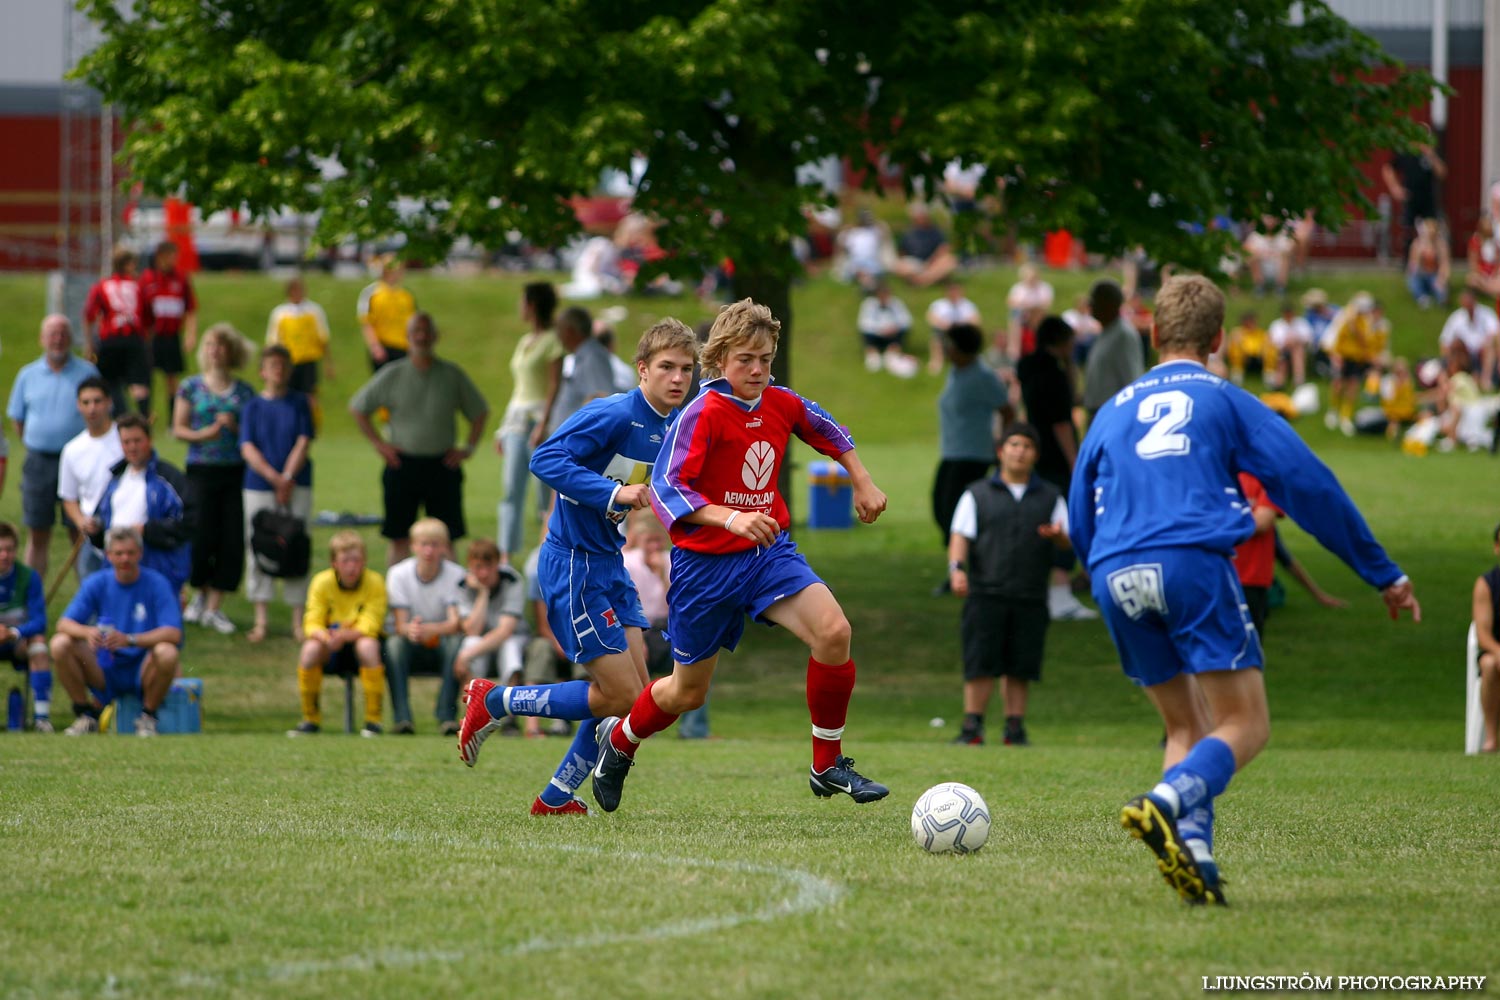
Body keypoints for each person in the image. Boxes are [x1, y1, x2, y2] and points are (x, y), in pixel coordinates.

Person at [1069, 273, 1420, 905]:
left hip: (1114, 570)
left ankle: (1196, 858)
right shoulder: (1225, 399)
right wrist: (1381, 572)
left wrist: (1098, 571)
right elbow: (1307, 484)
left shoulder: (1110, 411)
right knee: (1246, 725)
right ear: (1219, 338)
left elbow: (1078, 511)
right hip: (1188, 561)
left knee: (1189, 727)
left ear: (1152, 333)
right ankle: (1163, 803)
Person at [593, 299, 891, 813]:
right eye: (746, 359)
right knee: (686, 694)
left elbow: (827, 429)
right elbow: (666, 487)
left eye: (767, 359)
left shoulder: (780, 400)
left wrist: (861, 481)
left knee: (834, 631)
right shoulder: (701, 412)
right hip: (705, 569)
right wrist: (730, 517)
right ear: (719, 359)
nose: (758, 370)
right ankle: (619, 742)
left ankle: (826, 764)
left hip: (766, 554)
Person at [457, 318, 698, 816]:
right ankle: (495, 700)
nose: (678, 378)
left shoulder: (672, 425)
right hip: (573, 565)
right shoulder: (612, 413)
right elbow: (544, 459)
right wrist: (614, 492)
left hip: (610, 563)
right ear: (642, 370)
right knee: (623, 693)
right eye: (667, 367)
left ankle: (554, 799)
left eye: (687, 369)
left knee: (629, 699)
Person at [947, 423, 1071, 748]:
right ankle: (972, 726)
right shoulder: (978, 493)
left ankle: (1014, 728)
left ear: (1036, 455)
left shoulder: (1050, 496)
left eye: (1027, 446)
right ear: (1001, 451)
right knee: (980, 661)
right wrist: (957, 569)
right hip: (985, 591)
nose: (1020, 451)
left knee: (1021, 663)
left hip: (1030, 592)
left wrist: (1059, 539)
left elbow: (1067, 541)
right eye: (1013, 444)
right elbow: (961, 535)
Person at [350, 311, 489, 566]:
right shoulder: (392, 374)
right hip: (402, 464)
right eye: (417, 332)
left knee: (446, 537)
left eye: (426, 331)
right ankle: (397, 599)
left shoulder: (451, 375)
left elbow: (480, 411)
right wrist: (380, 445)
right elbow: (358, 408)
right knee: (399, 536)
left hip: (443, 465)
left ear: (435, 336)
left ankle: (451, 599)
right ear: (408, 337)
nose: (422, 337)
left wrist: (467, 447)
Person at [51, 526, 184, 737]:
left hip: (142, 664)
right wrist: (88, 633)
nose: (125, 559)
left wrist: (130, 640)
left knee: (167, 652)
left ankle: (148, 717)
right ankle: (86, 716)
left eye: (130, 553)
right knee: (60, 644)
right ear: (108, 555)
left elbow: (173, 633)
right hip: (105, 664)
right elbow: (64, 623)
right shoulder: (97, 582)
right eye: (119, 553)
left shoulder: (157, 583)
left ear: (140, 554)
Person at [173, 324, 256, 634]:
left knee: (230, 536)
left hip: (234, 472)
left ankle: (215, 607)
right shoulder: (190, 387)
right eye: (211, 345)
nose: (216, 351)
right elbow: (178, 428)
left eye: (222, 345)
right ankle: (198, 595)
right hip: (200, 470)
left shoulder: (244, 392)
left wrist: (233, 427)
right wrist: (203, 434)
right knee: (200, 533)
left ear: (232, 352)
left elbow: (251, 433)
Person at [7, 314, 99, 579]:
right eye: (52, 334)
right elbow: (18, 420)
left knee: (80, 531)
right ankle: (30, 600)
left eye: (62, 333)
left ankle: (89, 599)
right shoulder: (28, 374)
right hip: (40, 462)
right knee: (38, 530)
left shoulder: (87, 373)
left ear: (70, 338)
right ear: (42, 339)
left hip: (79, 462)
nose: (57, 339)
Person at [1017, 316, 1096, 621]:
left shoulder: (1028, 366)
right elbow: (1063, 420)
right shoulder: (1054, 375)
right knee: (1065, 520)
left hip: (1036, 450)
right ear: (1062, 341)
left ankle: (1042, 588)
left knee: (1039, 517)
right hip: (1057, 457)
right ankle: (1060, 592)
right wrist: (1076, 464)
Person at [239, 345, 315, 643]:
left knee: (297, 542)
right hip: (258, 484)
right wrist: (273, 477)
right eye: (272, 365)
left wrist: (287, 478)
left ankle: (299, 619)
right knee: (258, 543)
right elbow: (247, 446)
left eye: (283, 365)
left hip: (297, 482)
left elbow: (304, 440)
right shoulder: (253, 407)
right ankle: (261, 619)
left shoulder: (299, 403)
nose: (278, 371)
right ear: (262, 370)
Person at [931, 323, 1012, 593]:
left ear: (964, 349)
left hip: (974, 455)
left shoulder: (983, 376)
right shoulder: (956, 372)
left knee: (955, 515)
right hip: (953, 452)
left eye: (951, 346)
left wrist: (1003, 447)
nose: (947, 350)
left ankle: (965, 572)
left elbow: (1007, 410)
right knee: (941, 510)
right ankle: (963, 568)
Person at [289, 530, 387, 737]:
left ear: (364, 561)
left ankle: (373, 721)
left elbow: (371, 623)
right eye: (345, 561)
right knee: (309, 649)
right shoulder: (321, 582)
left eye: (357, 560)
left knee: (368, 645)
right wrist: (327, 637)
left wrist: (344, 636)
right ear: (334, 562)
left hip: (358, 645)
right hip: (330, 646)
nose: (352, 567)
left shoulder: (375, 582)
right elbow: (311, 622)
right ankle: (310, 719)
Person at [496, 282, 564, 561]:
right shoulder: (525, 342)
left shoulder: (553, 341)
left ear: (532, 304)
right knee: (511, 489)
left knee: (543, 492)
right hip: (516, 422)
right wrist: (503, 427)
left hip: (539, 424)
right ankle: (506, 555)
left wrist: (543, 423)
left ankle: (545, 550)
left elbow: (553, 386)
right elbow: (519, 388)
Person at [93, 414, 194, 597]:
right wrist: (94, 529)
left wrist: (146, 530)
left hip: (157, 566)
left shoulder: (169, 478)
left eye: (137, 441)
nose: (132, 447)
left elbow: (188, 522)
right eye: (126, 442)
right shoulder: (115, 479)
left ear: (150, 440)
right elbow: (102, 525)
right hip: (116, 567)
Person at [384, 517, 467, 735]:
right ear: (413, 546)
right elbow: (399, 624)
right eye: (423, 544)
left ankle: (446, 715)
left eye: (435, 544)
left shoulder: (456, 574)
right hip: (410, 642)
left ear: (444, 547)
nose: (429, 551)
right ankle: (402, 718)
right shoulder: (398, 574)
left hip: (441, 641)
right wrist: (411, 630)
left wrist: (431, 629)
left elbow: (455, 623)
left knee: (457, 643)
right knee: (393, 644)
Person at [58, 377, 123, 580]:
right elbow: (68, 497)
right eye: (86, 402)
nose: (92, 408)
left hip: (126, 531)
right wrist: (81, 521)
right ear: (78, 405)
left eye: (97, 401)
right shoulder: (72, 450)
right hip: (93, 536)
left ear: (109, 402)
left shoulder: (126, 440)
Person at [451, 538, 526, 697]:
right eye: (478, 567)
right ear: (470, 566)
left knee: (509, 647)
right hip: (481, 642)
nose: (484, 573)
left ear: (498, 564)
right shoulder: (462, 586)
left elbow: (505, 631)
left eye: (489, 566)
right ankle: (476, 709)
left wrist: (466, 655)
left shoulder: (512, 581)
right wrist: (482, 593)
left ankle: (509, 713)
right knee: (470, 642)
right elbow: (472, 630)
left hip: (513, 639)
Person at [532, 306, 614, 446]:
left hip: (578, 443)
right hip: (569, 440)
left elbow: (603, 399)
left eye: (559, 330)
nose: (557, 336)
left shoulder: (593, 357)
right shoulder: (582, 356)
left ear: (569, 331)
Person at [83, 246, 150, 417]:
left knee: (110, 381)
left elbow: (89, 315)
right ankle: (143, 418)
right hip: (134, 338)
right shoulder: (138, 286)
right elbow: (148, 316)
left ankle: (119, 416)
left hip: (110, 339)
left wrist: (89, 343)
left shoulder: (102, 286)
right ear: (127, 264)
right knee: (138, 383)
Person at [138, 240, 198, 420]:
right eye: (171, 256)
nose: (174, 260)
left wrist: (190, 334)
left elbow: (191, 308)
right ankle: (146, 416)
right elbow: (140, 309)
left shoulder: (180, 278)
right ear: (160, 257)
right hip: (152, 336)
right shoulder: (147, 279)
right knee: (147, 376)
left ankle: (174, 419)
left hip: (172, 335)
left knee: (172, 378)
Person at [0, 522, 51, 731]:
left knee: (38, 644)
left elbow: (40, 621)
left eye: (9, 550)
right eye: (0, 550)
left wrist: (12, 632)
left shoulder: (28, 577)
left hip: (16, 641)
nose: (4, 555)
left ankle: (41, 719)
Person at [1324, 293, 1387, 437]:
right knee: (1338, 384)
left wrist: (1355, 329)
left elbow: (1365, 341)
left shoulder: (1364, 323)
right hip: (1343, 356)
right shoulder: (1345, 318)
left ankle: (1345, 415)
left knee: (1353, 386)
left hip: (1356, 358)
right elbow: (1337, 338)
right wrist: (1336, 355)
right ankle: (1333, 410)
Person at [1081, 279, 1143, 420]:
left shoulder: (1123, 335)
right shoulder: (1106, 331)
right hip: (1099, 413)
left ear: (1109, 304)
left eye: (1095, 300)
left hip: (1112, 415)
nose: (1091, 305)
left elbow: (1131, 379)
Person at [265, 275, 333, 398]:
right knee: (286, 395)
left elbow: (323, 338)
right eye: (294, 289)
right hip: (287, 362)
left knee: (310, 396)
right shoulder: (280, 313)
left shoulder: (314, 311)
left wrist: (328, 364)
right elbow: (272, 342)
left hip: (308, 360)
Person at [1469, 524, 1500, 753]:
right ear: (1496, 548)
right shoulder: (1487, 584)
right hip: (1495, 651)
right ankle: (1491, 738)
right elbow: (1482, 634)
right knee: (1489, 664)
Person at [357, 256, 416, 372]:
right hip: (384, 347)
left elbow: (413, 323)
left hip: (403, 347)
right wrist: (375, 346)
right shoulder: (372, 293)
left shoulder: (406, 296)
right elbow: (366, 323)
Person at [1438, 288, 1498, 389]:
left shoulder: (1486, 313)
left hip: (1483, 352)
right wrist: (1448, 358)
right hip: (1466, 355)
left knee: (1489, 346)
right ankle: (1455, 380)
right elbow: (1444, 341)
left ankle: (1485, 379)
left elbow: (1496, 333)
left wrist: (1488, 342)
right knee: (1456, 345)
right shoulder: (1456, 317)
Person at [856, 282, 918, 376]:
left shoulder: (896, 303)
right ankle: (873, 354)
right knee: (866, 333)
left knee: (903, 331)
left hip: (893, 333)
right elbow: (864, 323)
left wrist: (895, 327)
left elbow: (907, 320)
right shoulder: (869, 304)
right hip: (875, 334)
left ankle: (892, 353)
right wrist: (880, 330)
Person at [892, 202, 958, 288]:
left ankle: (921, 281)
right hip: (915, 264)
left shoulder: (935, 231)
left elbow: (944, 248)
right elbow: (901, 252)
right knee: (900, 266)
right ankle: (926, 280)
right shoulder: (908, 233)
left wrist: (931, 262)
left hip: (933, 263)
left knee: (950, 261)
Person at [925, 280, 982, 375]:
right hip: (945, 331)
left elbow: (976, 320)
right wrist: (945, 325)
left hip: (963, 333)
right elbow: (930, 317)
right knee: (936, 337)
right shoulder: (939, 305)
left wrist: (962, 325)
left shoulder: (967, 305)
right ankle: (937, 361)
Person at [1005, 265, 1055, 359]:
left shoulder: (1044, 288)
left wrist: (1029, 307)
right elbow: (1011, 303)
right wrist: (1025, 307)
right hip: (1022, 314)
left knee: (1036, 313)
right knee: (1015, 315)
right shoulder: (1018, 288)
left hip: (1038, 314)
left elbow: (1046, 304)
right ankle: (1014, 350)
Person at [1406, 217, 1450, 310]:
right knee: (1413, 280)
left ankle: (1442, 299)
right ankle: (1422, 297)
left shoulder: (1441, 245)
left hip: (1435, 275)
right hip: (1421, 274)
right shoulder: (1417, 244)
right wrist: (1420, 253)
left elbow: (1445, 265)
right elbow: (1413, 267)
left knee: (1441, 288)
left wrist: (1442, 279)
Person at [1267, 301, 1312, 389]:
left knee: (1297, 350)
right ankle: (1280, 381)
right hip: (1282, 349)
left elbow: (1308, 338)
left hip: (1298, 348)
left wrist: (1296, 339)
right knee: (1284, 356)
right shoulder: (1276, 325)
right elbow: (1273, 341)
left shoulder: (1302, 323)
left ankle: (1297, 379)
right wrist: (1286, 342)